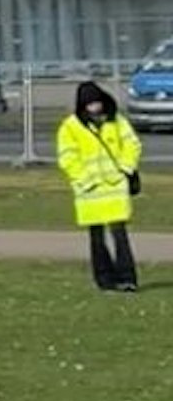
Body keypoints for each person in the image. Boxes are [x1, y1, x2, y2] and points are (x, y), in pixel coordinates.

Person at [56, 79, 142, 292]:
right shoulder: (70, 127)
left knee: (120, 235)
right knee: (97, 238)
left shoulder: (117, 121)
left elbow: (132, 144)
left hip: (114, 187)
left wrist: (124, 168)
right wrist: (85, 179)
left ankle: (127, 278)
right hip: (90, 191)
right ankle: (104, 279)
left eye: (97, 102)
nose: (95, 107)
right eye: (90, 103)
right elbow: (67, 157)